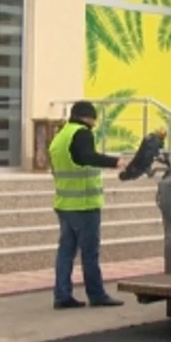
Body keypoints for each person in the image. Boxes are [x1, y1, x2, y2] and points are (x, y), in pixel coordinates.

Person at [48, 101, 125, 309]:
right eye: (93, 119)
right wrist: (114, 162)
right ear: (88, 117)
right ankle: (97, 294)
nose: (94, 123)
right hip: (84, 204)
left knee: (65, 251)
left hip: (64, 203)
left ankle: (62, 295)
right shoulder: (82, 133)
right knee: (89, 252)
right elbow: (86, 157)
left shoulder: (60, 136)